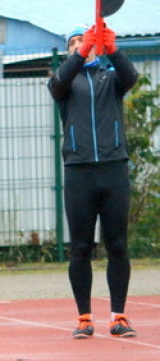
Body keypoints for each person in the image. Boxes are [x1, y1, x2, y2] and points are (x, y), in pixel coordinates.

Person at [48, 23, 139, 338]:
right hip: (79, 172)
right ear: (67, 49)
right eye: (73, 43)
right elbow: (57, 85)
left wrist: (113, 49)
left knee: (117, 245)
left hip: (113, 170)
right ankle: (84, 317)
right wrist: (82, 50)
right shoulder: (64, 82)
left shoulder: (111, 79)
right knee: (81, 248)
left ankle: (119, 316)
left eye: (84, 42)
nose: (79, 46)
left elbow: (131, 77)